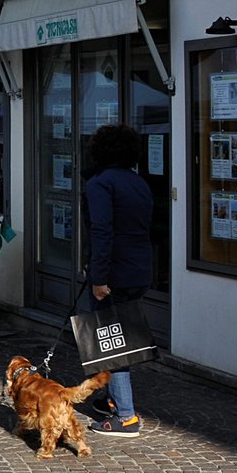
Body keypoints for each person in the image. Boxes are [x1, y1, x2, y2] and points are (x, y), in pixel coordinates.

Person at [83, 123, 154, 437]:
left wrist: (98, 276)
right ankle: (111, 400)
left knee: (111, 343)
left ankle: (125, 416)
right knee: (122, 337)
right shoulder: (139, 183)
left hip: (114, 272)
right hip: (139, 269)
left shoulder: (100, 183)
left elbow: (102, 230)